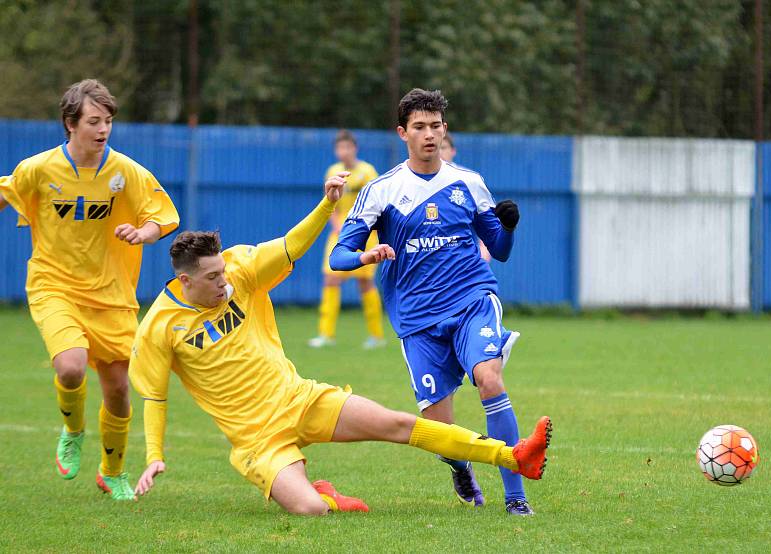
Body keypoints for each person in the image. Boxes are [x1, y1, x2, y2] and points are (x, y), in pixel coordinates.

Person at [128, 173, 550, 515]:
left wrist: (326, 205)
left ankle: (514, 457)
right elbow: (155, 398)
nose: (223, 282)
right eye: (212, 278)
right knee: (311, 510)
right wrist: (154, 455)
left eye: (222, 272)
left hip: (301, 400)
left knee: (400, 425)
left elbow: (292, 245)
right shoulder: (160, 325)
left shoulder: (240, 268)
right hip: (258, 440)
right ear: (185, 281)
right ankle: (325, 493)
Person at [330, 89, 542, 515]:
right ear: (403, 132)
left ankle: (516, 498)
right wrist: (366, 255)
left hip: (471, 300)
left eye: (436, 126)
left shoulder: (469, 182)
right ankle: (460, 465)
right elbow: (338, 256)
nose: (429, 134)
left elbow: (498, 250)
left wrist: (508, 227)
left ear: (445, 130)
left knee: (490, 379)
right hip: (417, 318)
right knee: (440, 430)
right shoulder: (382, 190)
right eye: (420, 127)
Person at [0, 79, 179, 500]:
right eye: (94, 121)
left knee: (118, 389)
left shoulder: (127, 172)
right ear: (70, 123)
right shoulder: (39, 169)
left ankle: (111, 472)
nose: (103, 129)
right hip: (54, 285)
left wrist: (143, 232)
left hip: (113, 295)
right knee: (71, 367)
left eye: (109, 121)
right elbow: (7, 191)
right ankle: (74, 429)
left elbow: (164, 215)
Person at [308, 130, 385, 349]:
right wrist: (336, 225)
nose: (344, 151)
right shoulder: (333, 171)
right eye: (340, 148)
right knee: (330, 278)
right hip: (339, 234)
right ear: (336, 150)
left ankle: (377, 336)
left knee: (365, 282)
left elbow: (377, 202)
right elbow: (329, 201)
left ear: (355, 149)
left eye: (347, 147)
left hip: (365, 234)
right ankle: (325, 334)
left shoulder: (367, 172)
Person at [439, 133, 491, 262]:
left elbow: (486, 221)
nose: (439, 152)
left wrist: (484, 250)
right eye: (436, 147)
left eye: (443, 147)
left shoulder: (469, 181)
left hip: (464, 261)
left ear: (453, 151)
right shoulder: (420, 183)